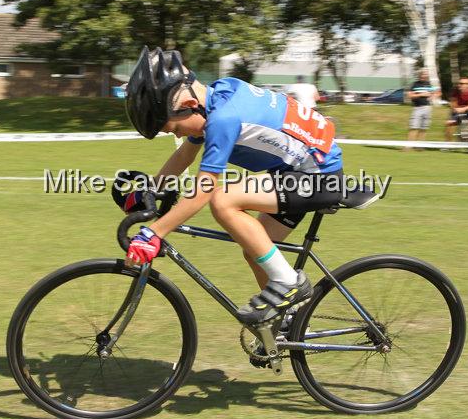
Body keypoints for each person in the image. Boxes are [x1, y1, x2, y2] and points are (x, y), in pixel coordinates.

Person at [121, 47, 346, 326]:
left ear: (190, 107)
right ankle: (286, 323)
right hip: (299, 172)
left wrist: (154, 233)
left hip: (319, 178)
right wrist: (151, 190)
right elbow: (184, 155)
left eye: (175, 130)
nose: (177, 134)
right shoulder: (218, 97)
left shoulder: (223, 119)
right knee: (256, 248)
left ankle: (289, 282)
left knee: (223, 199)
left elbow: (204, 188)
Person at [405, 69, 440, 150]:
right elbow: (409, 96)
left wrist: (433, 97)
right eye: (422, 74)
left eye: (425, 74)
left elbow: (437, 92)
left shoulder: (429, 84)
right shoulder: (415, 84)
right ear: (419, 75)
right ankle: (408, 146)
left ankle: (420, 146)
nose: (424, 75)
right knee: (413, 127)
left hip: (427, 108)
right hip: (417, 108)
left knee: (424, 128)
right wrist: (421, 94)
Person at [444, 77, 468, 142]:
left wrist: (463, 109)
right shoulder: (455, 91)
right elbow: (453, 103)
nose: (459, 85)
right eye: (459, 83)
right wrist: (455, 109)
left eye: (462, 83)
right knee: (449, 123)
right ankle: (448, 143)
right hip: (457, 108)